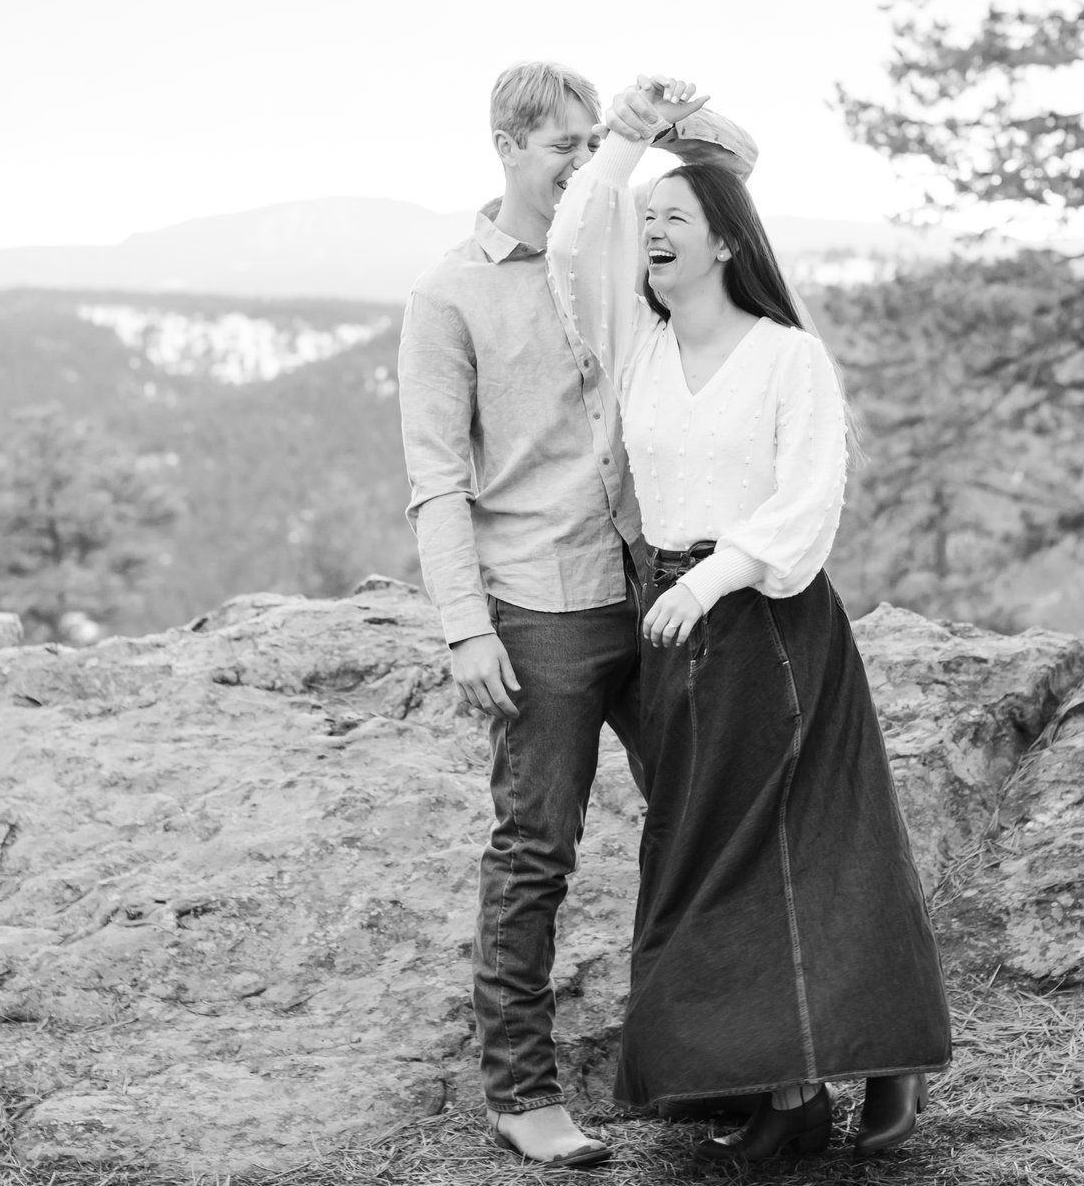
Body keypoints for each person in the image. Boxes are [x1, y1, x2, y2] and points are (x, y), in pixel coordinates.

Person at [543, 77, 952, 1162]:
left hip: (765, 627)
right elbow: (583, 228)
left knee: (797, 853)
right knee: (699, 855)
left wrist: (709, 579)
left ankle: (805, 1092)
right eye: (650, 228)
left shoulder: (786, 357)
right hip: (671, 633)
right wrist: (632, 140)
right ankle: (785, 1070)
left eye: (676, 222)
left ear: (727, 242)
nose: (652, 239)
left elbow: (805, 502)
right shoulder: (638, 343)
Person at [397, 62, 753, 1167]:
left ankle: (712, 1066)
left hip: (649, 589)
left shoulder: (610, 235)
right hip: (535, 609)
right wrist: (463, 625)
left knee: (699, 824)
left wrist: (666, 116)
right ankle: (520, 1092)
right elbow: (434, 478)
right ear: (507, 146)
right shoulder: (447, 293)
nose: (583, 161)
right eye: (564, 144)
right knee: (533, 854)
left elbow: (731, 167)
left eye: (595, 142)